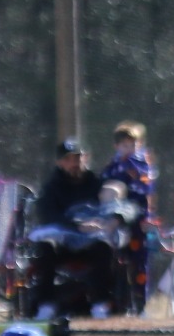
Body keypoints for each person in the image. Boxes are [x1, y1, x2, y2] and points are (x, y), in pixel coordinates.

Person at [29, 137, 118, 319]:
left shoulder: (97, 183)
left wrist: (115, 219)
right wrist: (77, 226)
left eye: (77, 158)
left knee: (104, 247)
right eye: (68, 159)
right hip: (62, 244)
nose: (74, 163)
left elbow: (117, 207)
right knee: (45, 247)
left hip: (91, 242)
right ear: (59, 162)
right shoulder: (51, 187)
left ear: (86, 158)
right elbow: (48, 215)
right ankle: (46, 305)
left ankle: (100, 303)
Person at [99, 122, 156, 315]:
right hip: (114, 223)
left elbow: (145, 193)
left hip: (137, 222)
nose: (129, 148)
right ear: (117, 146)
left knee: (139, 264)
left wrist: (147, 217)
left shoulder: (141, 166)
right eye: (124, 145)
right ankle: (119, 304)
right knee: (117, 262)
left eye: (133, 145)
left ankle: (141, 305)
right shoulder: (111, 167)